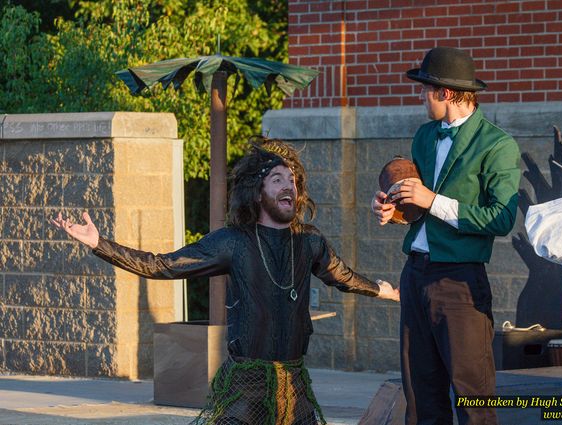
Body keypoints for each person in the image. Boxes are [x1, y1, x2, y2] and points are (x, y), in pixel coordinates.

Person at [52, 138, 400, 425]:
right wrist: (101, 244)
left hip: (292, 386)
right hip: (245, 387)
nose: (288, 186)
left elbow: (342, 276)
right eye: (277, 179)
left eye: (292, 180)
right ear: (257, 192)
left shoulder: (309, 242)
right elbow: (164, 266)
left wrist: (385, 290)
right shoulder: (233, 241)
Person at [371, 47, 520, 425]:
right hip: (415, 275)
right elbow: (417, 207)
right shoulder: (424, 137)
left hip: (460, 284)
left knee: (473, 399)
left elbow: (501, 218)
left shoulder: (497, 145)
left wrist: (433, 200)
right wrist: (395, 210)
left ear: (446, 93)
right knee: (420, 397)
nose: (421, 97)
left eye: (426, 90)